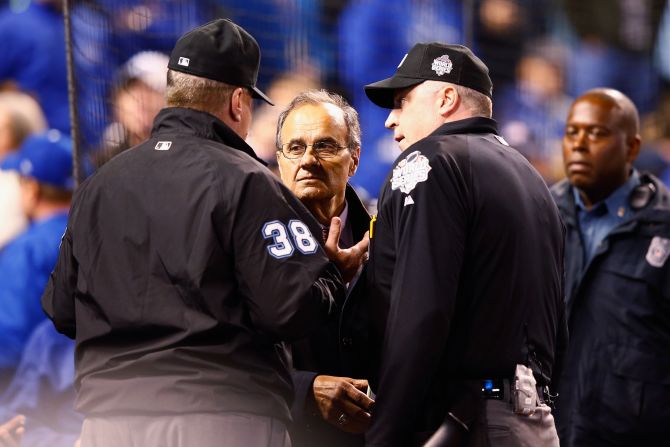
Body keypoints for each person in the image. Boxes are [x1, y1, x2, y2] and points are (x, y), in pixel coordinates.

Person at [41, 19, 367, 447]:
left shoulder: (98, 185)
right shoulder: (249, 181)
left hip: (109, 421)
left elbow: (62, 309)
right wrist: (329, 277)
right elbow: (289, 311)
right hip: (219, 417)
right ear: (237, 102)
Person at [362, 42, 566, 446]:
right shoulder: (530, 177)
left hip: (468, 422)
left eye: (402, 101)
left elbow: (421, 312)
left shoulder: (430, 161)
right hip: (532, 419)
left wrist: (384, 433)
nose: (390, 120)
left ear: (447, 98)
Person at [551, 88, 670, 446]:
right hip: (547, 429)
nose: (580, 144)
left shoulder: (662, 225)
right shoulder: (541, 214)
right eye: (572, 132)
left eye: (597, 133)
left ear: (632, 148)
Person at [275, 90, 373, 447]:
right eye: (295, 148)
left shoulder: (391, 238)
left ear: (355, 160)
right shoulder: (249, 242)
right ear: (279, 161)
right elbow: (227, 357)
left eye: (326, 146)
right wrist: (305, 388)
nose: (308, 160)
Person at [0, 130, 73, 391]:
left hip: (35, 398)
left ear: (31, 189)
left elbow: (9, 342)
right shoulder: (99, 232)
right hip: (90, 386)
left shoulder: (26, 250)